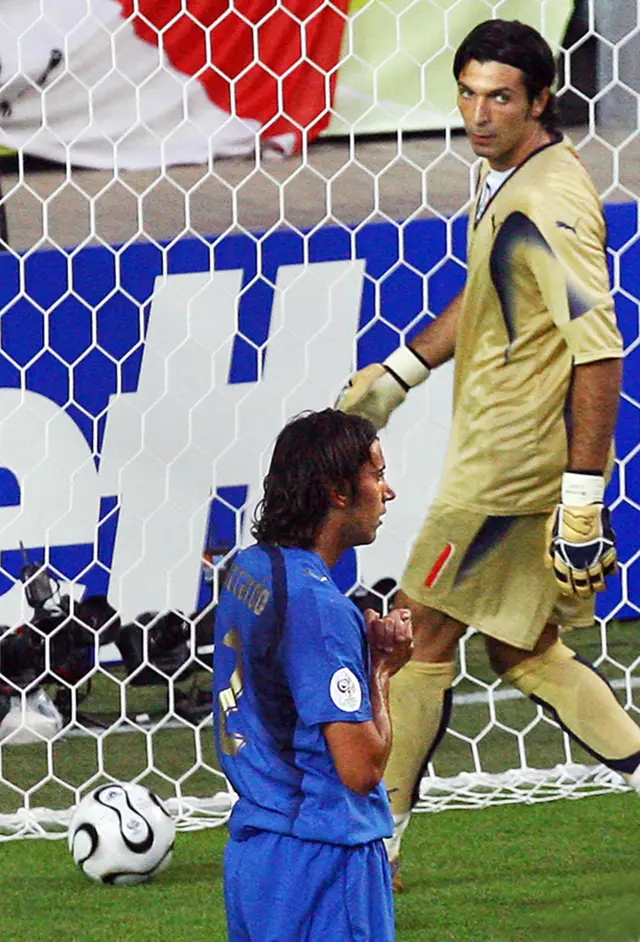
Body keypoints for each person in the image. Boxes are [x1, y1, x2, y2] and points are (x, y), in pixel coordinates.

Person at [337, 18, 640, 890]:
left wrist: (581, 497)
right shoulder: (506, 174)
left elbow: (601, 348)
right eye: (468, 93)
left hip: (508, 467)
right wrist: (404, 370)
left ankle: (377, 839)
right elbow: (491, 284)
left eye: (499, 96)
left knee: (412, 634)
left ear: (540, 100)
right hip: (500, 450)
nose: (478, 112)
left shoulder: (549, 203)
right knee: (525, 651)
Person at [212, 408, 413, 941]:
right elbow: (362, 769)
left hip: (257, 853)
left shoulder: (248, 568)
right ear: (338, 491)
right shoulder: (319, 608)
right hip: (324, 858)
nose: (387, 493)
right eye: (377, 474)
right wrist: (382, 670)